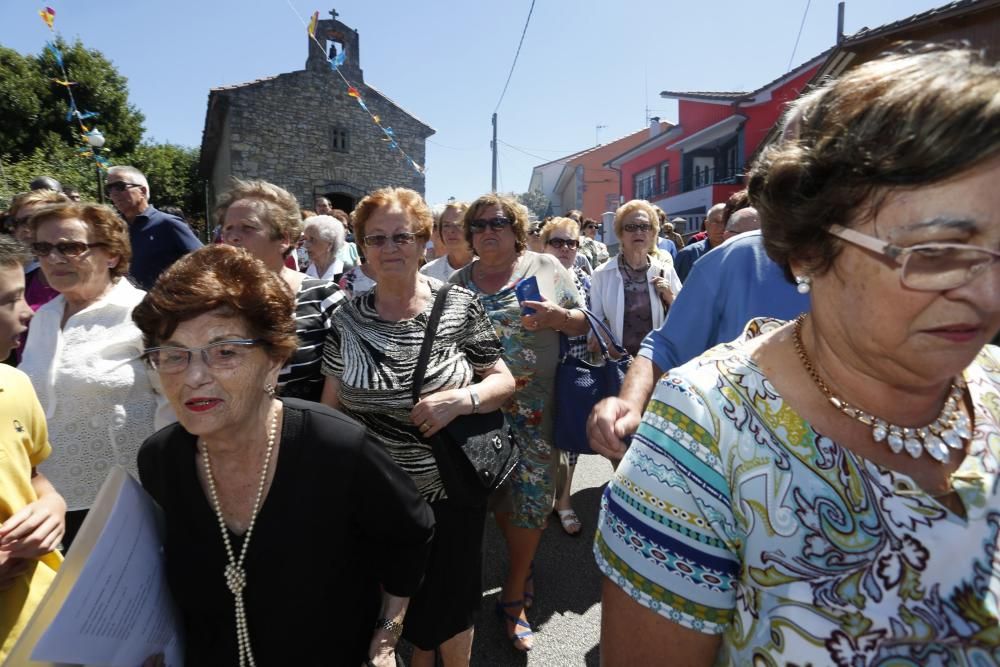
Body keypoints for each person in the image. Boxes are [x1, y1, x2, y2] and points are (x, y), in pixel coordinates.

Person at [595, 46, 1000, 665]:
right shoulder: (699, 438)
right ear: (809, 248)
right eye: (938, 251)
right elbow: (666, 344)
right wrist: (630, 399)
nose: (987, 292)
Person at [133, 245, 434, 665]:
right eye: (172, 355)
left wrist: (387, 634)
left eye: (224, 351)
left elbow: (411, 533)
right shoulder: (160, 460)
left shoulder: (335, 447)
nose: (194, 376)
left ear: (274, 360)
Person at [321, 187, 515, 666]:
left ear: (424, 242)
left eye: (402, 236)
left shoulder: (458, 306)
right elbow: (331, 408)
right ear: (362, 248)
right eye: (377, 239)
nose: (390, 248)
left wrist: (462, 400)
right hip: (375, 494)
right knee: (391, 601)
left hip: (450, 488)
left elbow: (504, 380)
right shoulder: (346, 318)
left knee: (449, 606)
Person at [451, 193, 589, 652]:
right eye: (479, 224)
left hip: (535, 407)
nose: (488, 230)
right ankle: (513, 568)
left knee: (532, 498)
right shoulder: (455, 283)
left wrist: (559, 316)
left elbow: (584, 323)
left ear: (516, 229)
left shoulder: (547, 268)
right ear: (470, 235)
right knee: (488, 500)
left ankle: (514, 595)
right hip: (478, 411)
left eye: (499, 222)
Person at [18, 201, 169, 549]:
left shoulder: (145, 313)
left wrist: (169, 487)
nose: (53, 258)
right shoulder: (42, 318)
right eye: (42, 248)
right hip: (49, 503)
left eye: (70, 247)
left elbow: (173, 405)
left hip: (129, 500)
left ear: (113, 255)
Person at [216, 179, 345, 402]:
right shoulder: (213, 300)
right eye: (228, 229)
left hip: (308, 428)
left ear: (283, 239)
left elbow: (343, 375)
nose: (233, 237)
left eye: (248, 227)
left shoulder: (324, 296)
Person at [0, 235, 66, 662]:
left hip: (43, 626)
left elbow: (33, 476)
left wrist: (53, 505)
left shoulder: (15, 385)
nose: (28, 311)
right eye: (10, 300)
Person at [539, 216, 591, 536]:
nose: (565, 249)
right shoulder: (530, 278)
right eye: (557, 242)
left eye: (571, 242)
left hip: (577, 362)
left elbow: (596, 318)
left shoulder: (586, 278)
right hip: (540, 367)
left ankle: (565, 499)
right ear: (543, 246)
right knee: (541, 433)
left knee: (570, 433)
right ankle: (542, 499)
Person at [589, 200, 681, 357]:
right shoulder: (602, 274)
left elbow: (685, 316)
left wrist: (670, 296)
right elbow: (595, 321)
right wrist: (608, 346)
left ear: (653, 233)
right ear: (620, 233)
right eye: (631, 227)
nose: (639, 232)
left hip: (655, 362)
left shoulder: (665, 271)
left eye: (645, 226)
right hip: (616, 364)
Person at [105, 165, 202, 289]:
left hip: (163, 304)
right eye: (109, 189)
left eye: (119, 187)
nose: (113, 194)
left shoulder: (168, 224)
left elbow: (204, 260)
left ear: (143, 191)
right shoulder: (116, 229)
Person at [5, 190, 65, 363]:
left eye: (34, 220)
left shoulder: (81, 277)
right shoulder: (19, 275)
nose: (25, 228)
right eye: (18, 222)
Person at [420, 201, 473, 282]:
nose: (451, 230)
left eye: (459, 225)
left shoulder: (489, 268)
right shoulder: (428, 272)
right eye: (446, 225)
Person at [674, 202, 725, 282]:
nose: (722, 227)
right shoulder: (689, 255)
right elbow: (679, 290)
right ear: (706, 225)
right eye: (716, 222)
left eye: (726, 222)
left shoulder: (738, 254)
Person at [301, 214, 347, 281]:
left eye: (312, 240)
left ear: (329, 244)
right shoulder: (301, 274)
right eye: (305, 239)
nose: (305, 245)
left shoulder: (347, 275)